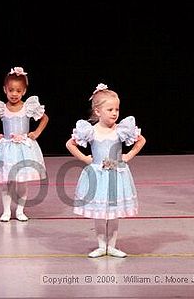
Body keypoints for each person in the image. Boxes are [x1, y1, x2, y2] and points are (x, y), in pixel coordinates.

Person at [66, 83, 145, 258]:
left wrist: (128, 156)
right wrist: (85, 158)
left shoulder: (121, 130)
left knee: (114, 213)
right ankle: (102, 246)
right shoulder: (90, 131)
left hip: (117, 175)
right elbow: (70, 144)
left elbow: (141, 140)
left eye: (116, 109)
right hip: (98, 176)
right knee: (100, 214)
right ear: (97, 112)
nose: (115, 113)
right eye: (110, 109)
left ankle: (113, 246)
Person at [0, 67, 49, 222]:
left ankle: (20, 210)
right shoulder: (1, 108)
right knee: (7, 182)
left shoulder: (28, 107)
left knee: (22, 181)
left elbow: (44, 118)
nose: (14, 94)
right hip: (7, 149)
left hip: (25, 149)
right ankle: (6, 211)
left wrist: (36, 133)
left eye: (18, 91)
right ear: (5, 89)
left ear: (24, 91)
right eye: (11, 90)